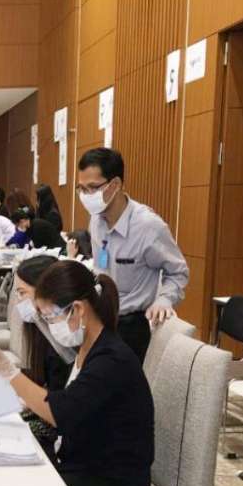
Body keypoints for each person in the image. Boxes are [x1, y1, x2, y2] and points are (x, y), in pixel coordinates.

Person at [0, 260, 154, 486]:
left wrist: (9, 372)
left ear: (78, 309)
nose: (50, 325)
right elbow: (68, 403)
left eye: (51, 317)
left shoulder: (111, 360)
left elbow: (59, 412)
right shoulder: (87, 348)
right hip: (83, 460)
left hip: (113, 483)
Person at [77, 148, 188, 363]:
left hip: (132, 326)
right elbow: (101, 266)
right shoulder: (96, 220)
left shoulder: (148, 227)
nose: (86, 196)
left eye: (93, 188)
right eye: (81, 189)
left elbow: (178, 272)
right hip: (101, 316)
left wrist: (164, 299)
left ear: (115, 184)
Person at [13, 256, 76, 461]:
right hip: (50, 417)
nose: (18, 301)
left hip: (60, 431)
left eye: (22, 293)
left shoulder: (67, 337)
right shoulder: (41, 332)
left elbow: (59, 410)